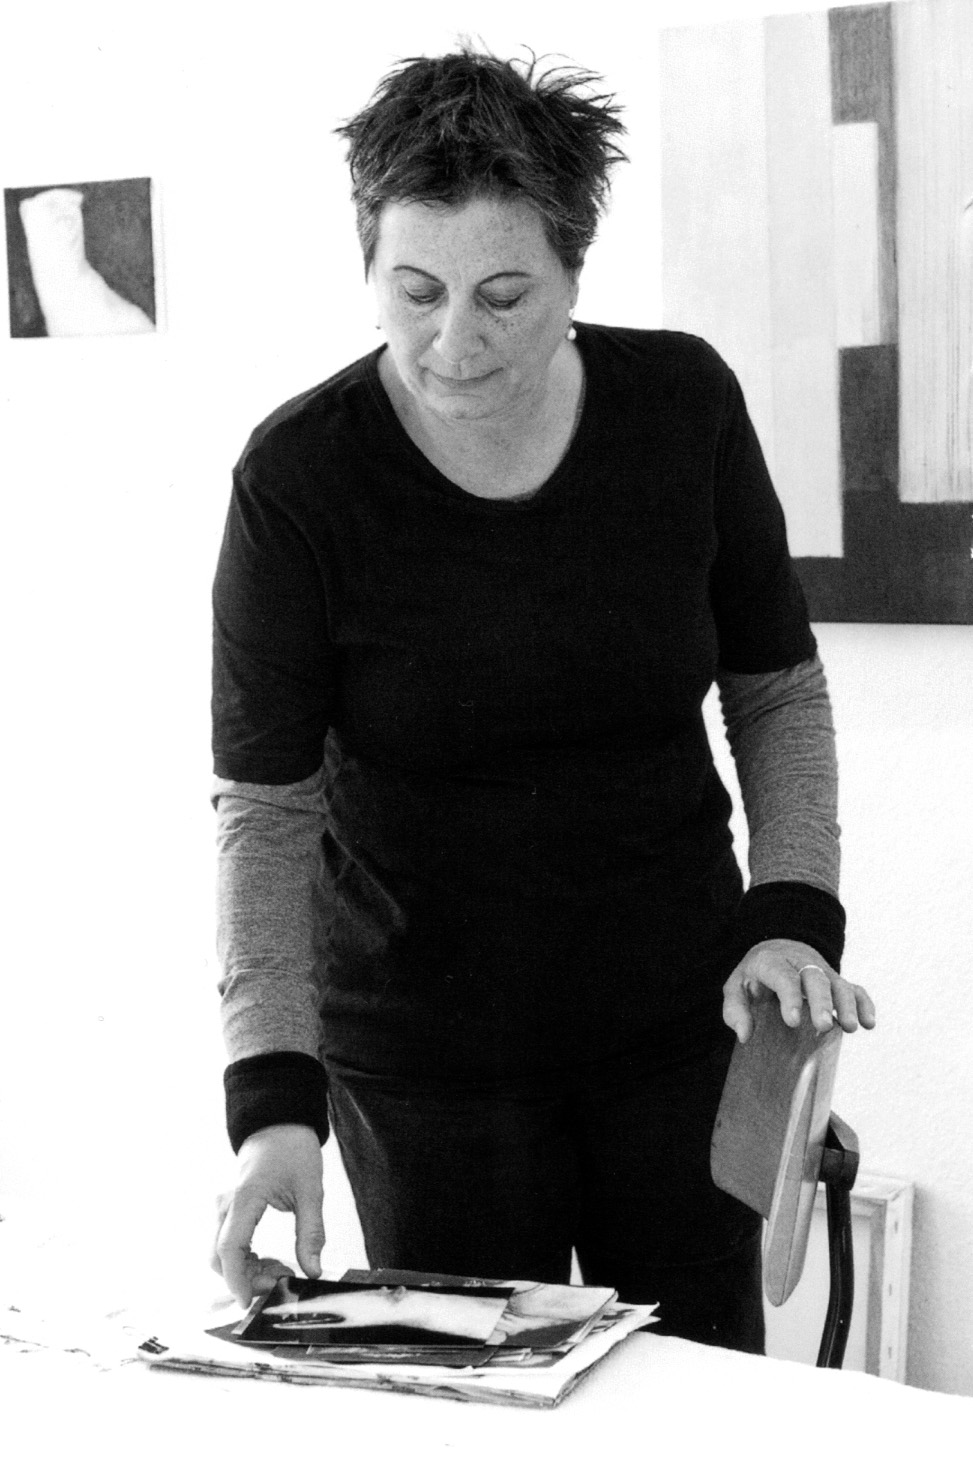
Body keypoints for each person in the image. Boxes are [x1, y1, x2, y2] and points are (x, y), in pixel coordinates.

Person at [209, 48, 876, 1354]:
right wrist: (272, 1102)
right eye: (415, 291)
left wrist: (793, 918)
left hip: (681, 1023)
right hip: (422, 1055)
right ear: (370, 266)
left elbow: (777, 692)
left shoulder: (680, 409)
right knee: (475, 1404)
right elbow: (265, 812)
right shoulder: (299, 480)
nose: (454, 341)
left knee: (695, 1395)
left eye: (505, 295)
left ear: (574, 271)